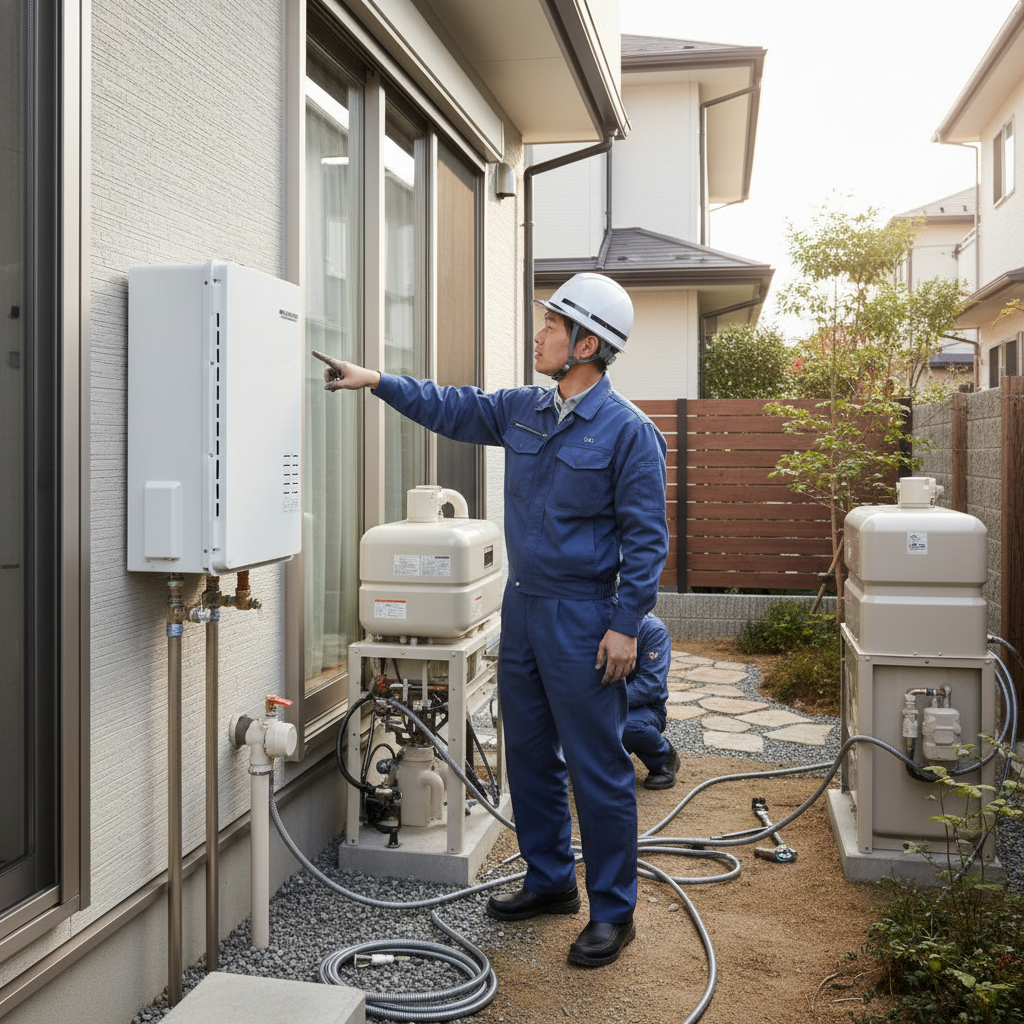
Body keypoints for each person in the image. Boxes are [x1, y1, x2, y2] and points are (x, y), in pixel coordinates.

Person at [313, 272, 668, 968]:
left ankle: (613, 912)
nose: (539, 334)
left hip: (585, 616)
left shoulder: (629, 432)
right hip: (524, 605)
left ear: (587, 344)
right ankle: (550, 880)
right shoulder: (523, 409)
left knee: (596, 768)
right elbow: (451, 406)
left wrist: (627, 624)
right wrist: (376, 380)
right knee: (528, 756)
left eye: (553, 325)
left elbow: (647, 540)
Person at [623, 614, 680, 790]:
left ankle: (664, 758)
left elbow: (650, 685)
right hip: (603, 704)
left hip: (647, 709)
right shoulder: (596, 624)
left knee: (626, 726)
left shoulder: (653, 630)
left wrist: (605, 705)